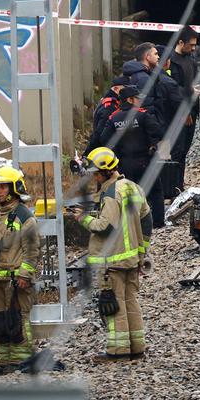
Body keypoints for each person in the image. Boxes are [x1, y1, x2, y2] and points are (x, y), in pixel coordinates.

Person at [72, 147, 152, 359]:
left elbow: (106, 226)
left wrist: (83, 219)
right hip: (131, 259)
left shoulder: (110, 193)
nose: (94, 177)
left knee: (114, 306)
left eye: (96, 173)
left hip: (112, 262)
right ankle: (137, 347)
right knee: (130, 302)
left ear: (107, 172)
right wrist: (141, 253)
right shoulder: (133, 187)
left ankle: (117, 351)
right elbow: (147, 221)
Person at [0, 166, 40, 374]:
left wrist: (25, 275)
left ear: (15, 188)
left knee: (18, 321)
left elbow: (32, 251)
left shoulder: (24, 216)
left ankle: (22, 362)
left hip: (16, 282)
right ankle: (4, 363)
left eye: (3, 187)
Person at [109, 88, 166, 226]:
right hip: (144, 160)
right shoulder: (142, 115)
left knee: (128, 193)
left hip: (124, 163)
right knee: (155, 191)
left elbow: (105, 139)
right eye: (137, 98)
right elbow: (159, 131)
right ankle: (158, 222)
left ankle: (132, 223)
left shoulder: (114, 118)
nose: (140, 101)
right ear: (129, 99)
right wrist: (152, 143)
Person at [161, 25, 200, 199]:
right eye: (191, 45)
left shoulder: (190, 59)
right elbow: (172, 89)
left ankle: (178, 185)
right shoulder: (171, 61)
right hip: (177, 114)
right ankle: (171, 187)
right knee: (175, 151)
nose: (193, 48)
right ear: (180, 42)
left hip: (190, 112)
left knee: (183, 151)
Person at [122, 42, 182, 128]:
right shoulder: (144, 79)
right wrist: (156, 133)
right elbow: (147, 109)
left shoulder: (140, 74)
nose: (158, 57)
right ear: (147, 56)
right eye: (156, 54)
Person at [86, 77, 128, 153]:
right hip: (104, 151)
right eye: (124, 89)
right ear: (115, 88)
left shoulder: (107, 100)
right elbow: (99, 132)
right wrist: (87, 153)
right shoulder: (110, 106)